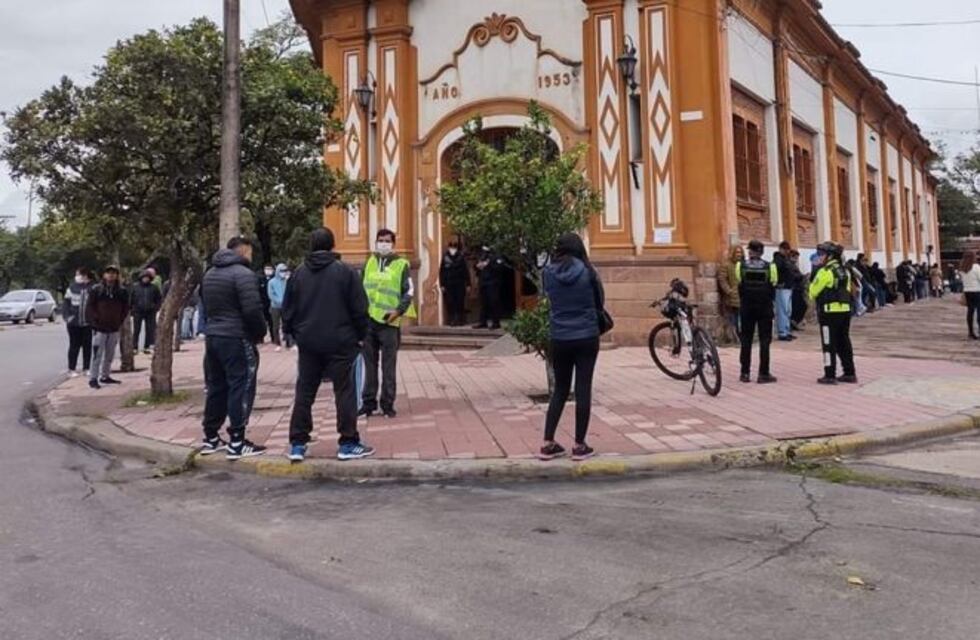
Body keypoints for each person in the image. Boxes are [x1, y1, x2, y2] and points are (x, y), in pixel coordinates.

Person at [283, 228, 374, 462]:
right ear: (333, 245)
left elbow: (288, 310)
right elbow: (359, 308)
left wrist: (293, 334)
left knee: (305, 392)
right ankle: (348, 442)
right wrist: (361, 335)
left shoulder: (299, 274)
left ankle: (297, 443)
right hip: (341, 342)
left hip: (309, 343)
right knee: (344, 392)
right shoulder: (345, 273)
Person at [200, 237, 268, 459]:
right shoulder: (244, 275)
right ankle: (237, 440)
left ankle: (211, 436)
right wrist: (259, 333)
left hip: (213, 336)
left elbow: (206, 305)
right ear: (244, 251)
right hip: (236, 337)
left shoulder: (210, 274)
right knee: (242, 385)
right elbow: (252, 309)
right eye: (250, 252)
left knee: (216, 386)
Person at [538, 232, 603, 462]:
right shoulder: (588, 271)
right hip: (586, 336)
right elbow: (599, 302)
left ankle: (547, 443)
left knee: (560, 390)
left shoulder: (548, 273)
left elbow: (549, 300)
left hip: (559, 338)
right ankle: (579, 445)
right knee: (583, 388)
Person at [360, 228, 415, 418]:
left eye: (387, 241)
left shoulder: (402, 265)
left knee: (388, 366)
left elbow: (409, 292)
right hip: (369, 322)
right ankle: (368, 403)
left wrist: (398, 311)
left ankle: (387, 404)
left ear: (393, 244)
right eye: (380, 240)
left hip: (389, 322)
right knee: (369, 365)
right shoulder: (370, 263)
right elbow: (360, 290)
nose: (383, 244)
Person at [809, 242, 857, 385]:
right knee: (844, 342)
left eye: (822, 254)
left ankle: (829, 374)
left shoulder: (825, 271)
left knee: (829, 343)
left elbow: (812, 292)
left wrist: (813, 276)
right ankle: (849, 373)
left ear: (829, 256)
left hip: (829, 312)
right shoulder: (845, 270)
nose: (820, 257)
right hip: (845, 310)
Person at [735, 240, 778, 384]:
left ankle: (745, 373)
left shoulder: (740, 265)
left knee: (746, 340)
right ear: (762, 252)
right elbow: (774, 283)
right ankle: (763, 373)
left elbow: (739, 281)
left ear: (750, 251)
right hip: (765, 307)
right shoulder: (770, 266)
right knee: (765, 340)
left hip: (747, 307)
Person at [85, 266, 130, 390]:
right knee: (97, 354)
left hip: (114, 327)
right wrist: (94, 322)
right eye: (108, 273)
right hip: (99, 328)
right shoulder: (97, 290)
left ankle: (105, 375)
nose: (111, 276)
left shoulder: (121, 291)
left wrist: (119, 321)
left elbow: (125, 308)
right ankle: (93, 378)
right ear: (104, 275)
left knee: (110, 354)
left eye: (113, 273)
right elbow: (89, 307)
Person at [64, 268, 94, 377]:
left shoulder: (92, 288)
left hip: (87, 323)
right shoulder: (71, 289)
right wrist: (68, 317)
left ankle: (86, 368)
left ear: (86, 276)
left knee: (87, 346)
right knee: (74, 346)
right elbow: (66, 304)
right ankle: (71, 369)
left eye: (79, 275)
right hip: (74, 324)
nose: (77, 277)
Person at [473, 245, 506, 330]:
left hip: (493, 283)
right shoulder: (482, 256)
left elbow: (499, 268)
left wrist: (489, 264)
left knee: (493, 302)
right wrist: (478, 266)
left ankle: (496, 322)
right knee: (484, 303)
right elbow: (476, 266)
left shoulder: (497, 256)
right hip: (483, 282)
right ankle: (483, 322)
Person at [130, 269, 161, 354]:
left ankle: (147, 346)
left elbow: (158, 299)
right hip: (137, 311)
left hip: (150, 312)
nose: (145, 279)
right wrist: (132, 309)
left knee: (150, 330)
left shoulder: (154, 288)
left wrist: (155, 307)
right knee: (136, 330)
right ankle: (134, 346)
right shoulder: (135, 287)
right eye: (144, 277)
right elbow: (131, 299)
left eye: (147, 278)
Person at [439, 240, 470, 326]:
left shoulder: (461, 257)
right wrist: (442, 284)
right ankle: (452, 319)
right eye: (451, 247)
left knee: (460, 301)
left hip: (459, 283)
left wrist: (468, 284)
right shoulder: (445, 258)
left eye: (454, 248)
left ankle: (460, 319)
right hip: (449, 284)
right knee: (450, 302)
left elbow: (465, 271)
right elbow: (442, 272)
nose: (452, 249)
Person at [716, 245, 742, 343]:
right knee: (732, 318)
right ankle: (733, 336)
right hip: (731, 297)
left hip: (742, 296)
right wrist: (728, 291)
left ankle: (740, 335)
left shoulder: (742, 264)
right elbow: (722, 279)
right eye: (737, 252)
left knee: (741, 318)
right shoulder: (726, 265)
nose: (739, 255)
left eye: (740, 252)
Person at [773, 241, 795, 341]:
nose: (787, 252)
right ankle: (782, 332)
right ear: (781, 249)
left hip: (788, 287)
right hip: (782, 287)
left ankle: (787, 330)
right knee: (782, 310)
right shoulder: (778, 260)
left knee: (788, 310)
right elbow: (776, 272)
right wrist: (778, 282)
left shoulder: (785, 259)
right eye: (785, 250)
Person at [958, 251, 980, 340]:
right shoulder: (976, 267)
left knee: (970, 311)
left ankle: (970, 332)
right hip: (977, 290)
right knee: (979, 311)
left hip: (967, 291)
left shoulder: (962, 268)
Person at [267, 263, 288, 351]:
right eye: (282, 271)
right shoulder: (271, 282)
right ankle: (277, 343)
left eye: (285, 271)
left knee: (286, 324)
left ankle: (289, 342)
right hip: (275, 306)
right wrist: (278, 301)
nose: (283, 273)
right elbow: (270, 294)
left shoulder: (286, 281)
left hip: (285, 306)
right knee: (275, 325)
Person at [789, 249, 808, 329]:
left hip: (799, 288)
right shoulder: (790, 265)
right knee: (799, 306)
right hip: (795, 289)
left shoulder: (793, 265)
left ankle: (794, 322)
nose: (796, 259)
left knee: (802, 305)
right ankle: (793, 322)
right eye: (796, 257)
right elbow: (794, 277)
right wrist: (803, 276)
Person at [259, 264, 274, 344]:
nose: (268, 270)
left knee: (272, 321)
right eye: (266, 269)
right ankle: (260, 338)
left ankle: (273, 337)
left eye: (270, 269)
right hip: (262, 303)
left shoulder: (274, 279)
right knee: (262, 321)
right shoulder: (260, 279)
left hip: (271, 303)